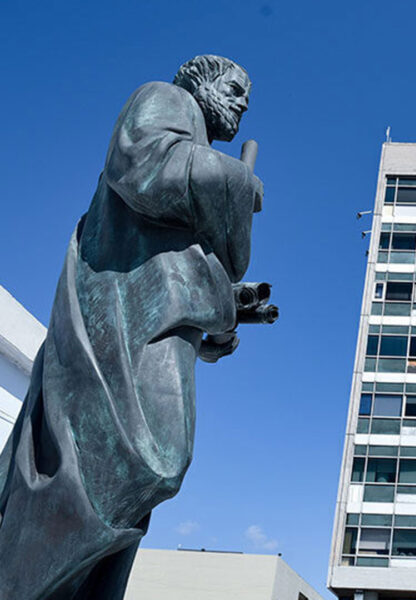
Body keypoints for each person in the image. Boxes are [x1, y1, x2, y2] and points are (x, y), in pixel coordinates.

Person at [0, 55, 261, 599]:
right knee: (149, 460)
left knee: (145, 475)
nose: (240, 103)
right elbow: (141, 166)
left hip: (150, 328)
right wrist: (237, 180)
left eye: (246, 98)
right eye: (233, 89)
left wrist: (230, 305)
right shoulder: (165, 99)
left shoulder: (194, 143)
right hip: (113, 331)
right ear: (200, 82)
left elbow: (177, 268)